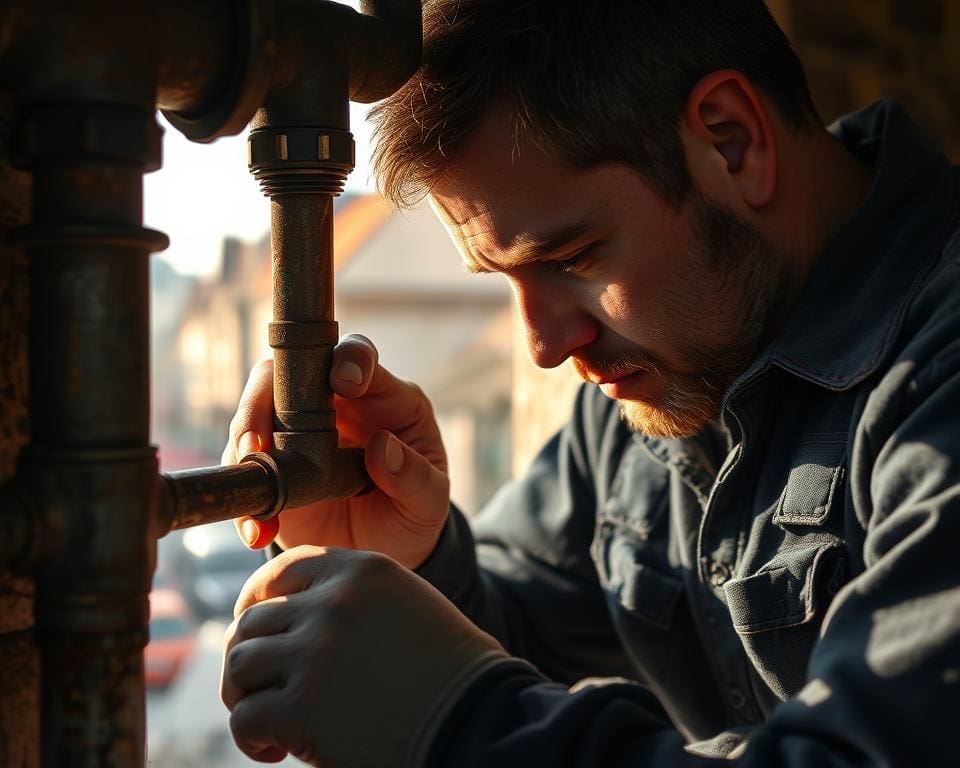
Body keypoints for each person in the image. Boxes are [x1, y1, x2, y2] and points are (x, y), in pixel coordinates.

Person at [217, 1, 960, 766]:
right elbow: (531, 620)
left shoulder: (937, 371)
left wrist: (456, 720)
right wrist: (417, 558)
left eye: (572, 259)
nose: (543, 347)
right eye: (502, 279)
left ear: (731, 142)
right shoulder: (658, 379)